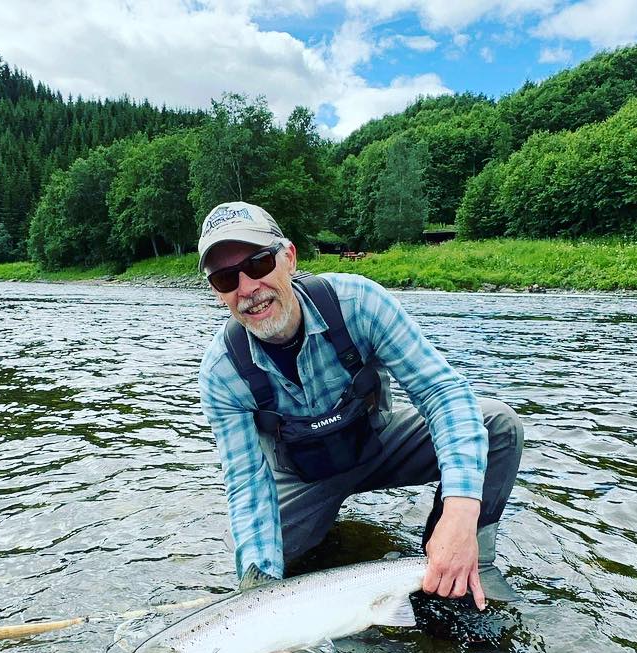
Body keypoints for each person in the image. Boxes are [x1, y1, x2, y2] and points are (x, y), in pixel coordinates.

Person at [196, 201, 526, 628]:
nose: (247, 288)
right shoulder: (222, 372)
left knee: (497, 426)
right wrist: (260, 604)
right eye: (226, 278)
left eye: (258, 263)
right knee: (260, 572)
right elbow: (247, 484)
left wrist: (460, 513)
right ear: (217, 291)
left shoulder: (359, 302)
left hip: (380, 445)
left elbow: (443, 394)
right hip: (303, 478)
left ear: (289, 258)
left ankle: (455, 567)